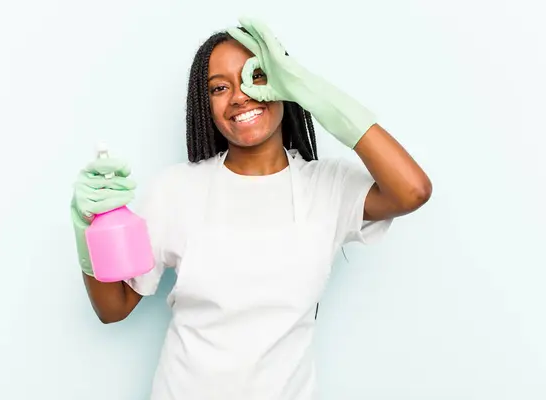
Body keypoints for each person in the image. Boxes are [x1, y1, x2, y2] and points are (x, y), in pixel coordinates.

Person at [70, 16, 432, 400]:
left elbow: (412, 190)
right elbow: (114, 309)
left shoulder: (326, 187)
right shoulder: (176, 189)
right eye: (219, 88)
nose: (240, 95)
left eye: (256, 77)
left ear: (285, 84)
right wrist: (87, 229)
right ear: (204, 105)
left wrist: (315, 94)